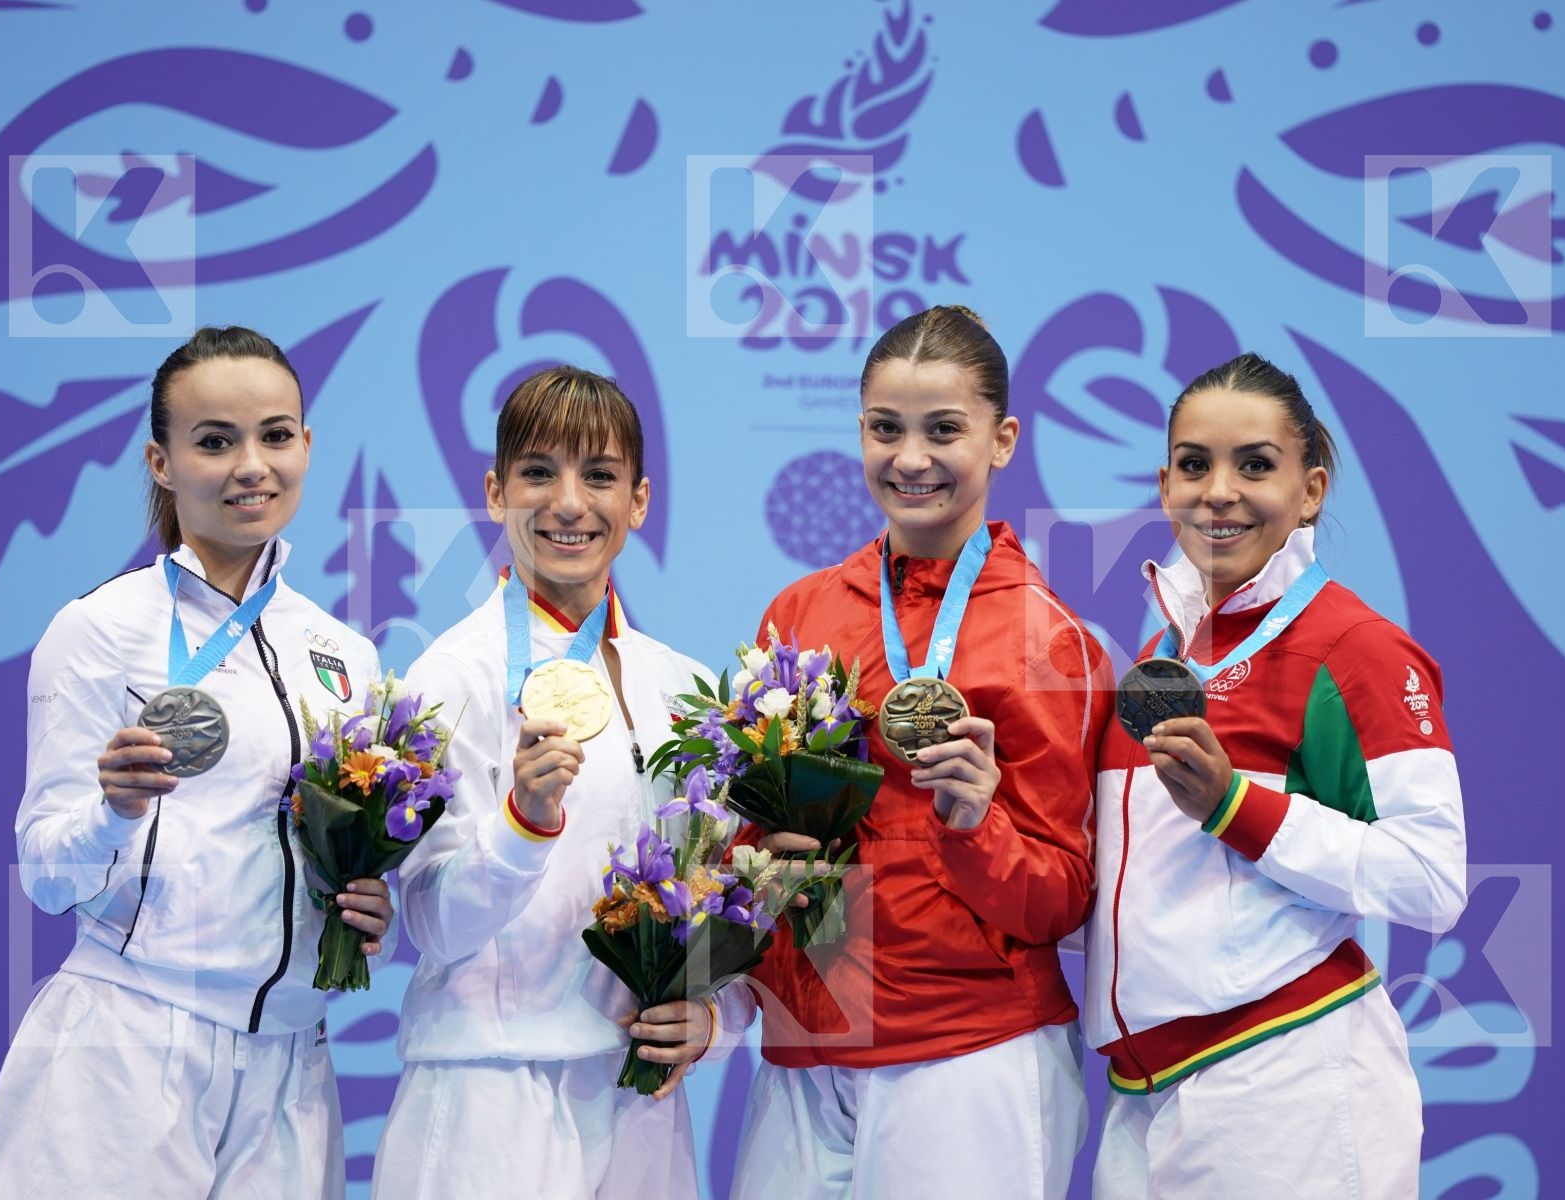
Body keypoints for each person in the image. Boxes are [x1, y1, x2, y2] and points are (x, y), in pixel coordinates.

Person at [0, 326, 394, 1199]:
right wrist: (112, 810)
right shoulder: (100, 631)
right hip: (125, 1052)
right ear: (161, 462)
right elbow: (48, 875)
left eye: (276, 435)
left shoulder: (345, 654)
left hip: (291, 1064)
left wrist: (365, 900)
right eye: (215, 441)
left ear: (307, 445)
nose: (252, 465)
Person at [726, 305, 1113, 1200]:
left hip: (969, 1048)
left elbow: (1064, 897)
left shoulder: (1050, 642)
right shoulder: (800, 615)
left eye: (945, 430)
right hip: (805, 1043)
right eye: (885, 429)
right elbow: (749, 827)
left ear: (1003, 439)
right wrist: (758, 858)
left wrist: (975, 825)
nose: (910, 459)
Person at [1086, 353, 1468, 1198]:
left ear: (1312, 490)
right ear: (1163, 484)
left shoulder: (1355, 649)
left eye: (1255, 464)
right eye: (1195, 464)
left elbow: (1433, 881)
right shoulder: (1161, 657)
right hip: (1147, 1097)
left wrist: (1233, 806)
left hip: (1287, 1079)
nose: (1219, 490)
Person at [372, 366, 728, 1199]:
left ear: (639, 500)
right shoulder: (452, 675)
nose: (569, 503)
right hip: (491, 1096)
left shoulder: (679, 686)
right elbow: (431, 922)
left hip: (641, 1101)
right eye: (539, 472)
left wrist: (713, 1017)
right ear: (496, 492)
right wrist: (524, 821)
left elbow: (717, 888)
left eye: (599, 475)